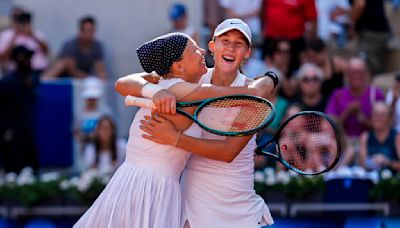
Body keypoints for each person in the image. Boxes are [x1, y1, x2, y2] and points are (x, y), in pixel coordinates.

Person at [77, 32, 274, 227]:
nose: (203, 50)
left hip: (141, 184)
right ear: (178, 66)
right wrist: (272, 77)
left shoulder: (165, 82)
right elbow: (253, 94)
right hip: (147, 188)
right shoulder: (186, 90)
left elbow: (124, 83)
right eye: (195, 50)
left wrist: (155, 91)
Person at [0, 45, 39, 173]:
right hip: (13, 134)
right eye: (25, 58)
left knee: (31, 169)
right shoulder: (8, 83)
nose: (28, 62)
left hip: (28, 132)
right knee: (13, 170)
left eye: (30, 58)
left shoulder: (31, 80)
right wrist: (6, 129)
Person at [0, 9, 49, 75]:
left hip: (37, 70)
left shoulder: (36, 33)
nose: (21, 21)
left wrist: (32, 35)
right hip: (15, 72)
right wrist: (15, 36)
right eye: (18, 18)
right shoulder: (6, 35)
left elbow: (46, 51)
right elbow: (2, 58)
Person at [359, 102, 400, 172]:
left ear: (388, 118)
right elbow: (363, 166)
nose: (378, 118)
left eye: (382, 115)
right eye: (376, 114)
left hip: (392, 180)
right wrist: (371, 163)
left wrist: (387, 162)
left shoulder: (396, 137)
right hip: (371, 179)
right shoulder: (365, 137)